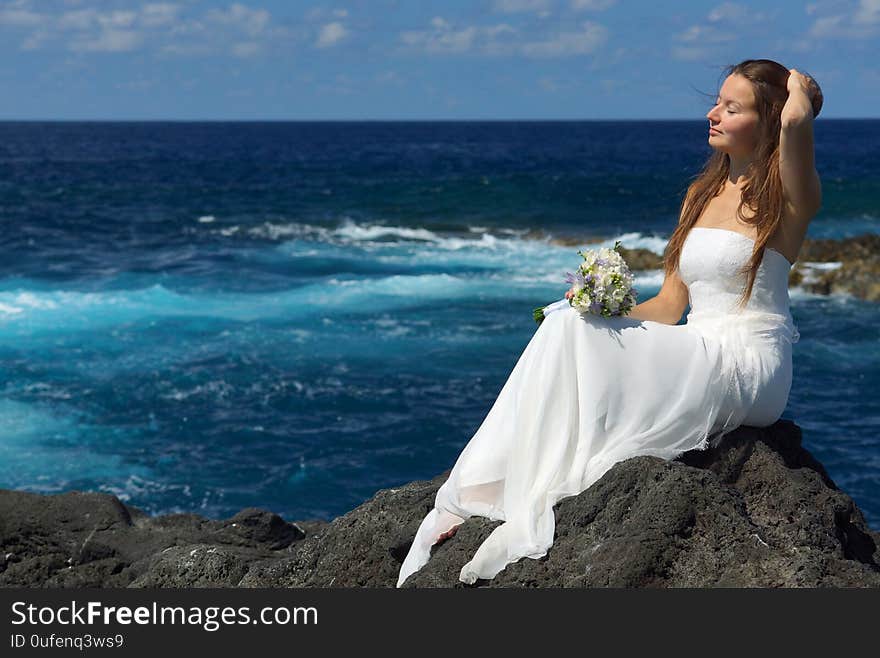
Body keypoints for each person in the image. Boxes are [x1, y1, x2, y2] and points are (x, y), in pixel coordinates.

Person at [396, 59, 824, 588]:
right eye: (716, 101)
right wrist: (598, 314)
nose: (712, 114)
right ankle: (480, 491)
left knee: (576, 337)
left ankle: (509, 491)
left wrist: (798, 92)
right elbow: (669, 306)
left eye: (731, 108)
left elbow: (798, 128)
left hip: (749, 362)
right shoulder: (701, 196)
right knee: (564, 325)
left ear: (769, 121)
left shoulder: (788, 197)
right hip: (695, 343)